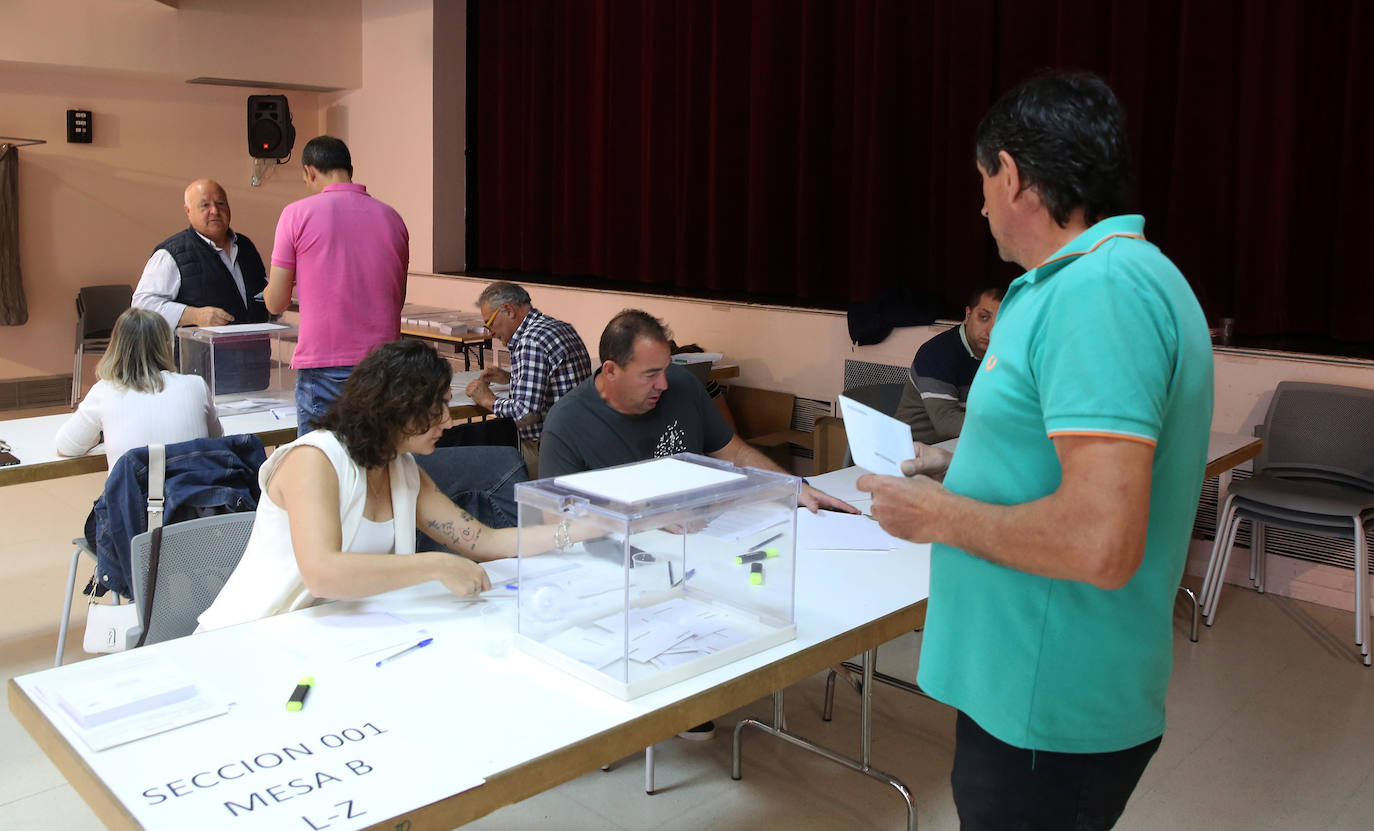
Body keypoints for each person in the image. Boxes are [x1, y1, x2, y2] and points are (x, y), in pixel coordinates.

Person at [857, 72, 1213, 830]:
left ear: (1011, 175)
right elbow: (1072, 455)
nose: (979, 204)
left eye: (982, 182)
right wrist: (969, 462)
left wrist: (939, 513)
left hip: (1046, 701)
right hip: (1031, 686)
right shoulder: (1101, 280)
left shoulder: (1099, 293)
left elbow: (1098, 539)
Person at [197, 340, 592, 632]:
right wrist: (436, 564)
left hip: (330, 634)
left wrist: (583, 529)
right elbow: (323, 573)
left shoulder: (403, 471)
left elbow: (485, 543)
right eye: (436, 407)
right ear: (397, 407)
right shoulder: (314, 461)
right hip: (254, 634)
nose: (448, 421)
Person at [263, 135, 409, 436]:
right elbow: (397, 296)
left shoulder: (296, 214)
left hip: (325, 364)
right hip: (384, 362)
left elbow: (275, 302)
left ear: (309, 172)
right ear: (350, 170)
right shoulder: (393, 218)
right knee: (377, 464)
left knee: (323, 466)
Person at [56, 307, 222, 464]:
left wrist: (95, 435)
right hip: (193, 492)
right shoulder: (196, 385)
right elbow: (217, 439)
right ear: (167, 345)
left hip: (134, 493)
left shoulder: (104, 391)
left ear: (115, 346)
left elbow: (67, 447)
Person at [465, 281, 593, 477]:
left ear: (508, 310)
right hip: (578, 441)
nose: (490, 332)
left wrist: (488, 400)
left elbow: (526, 414)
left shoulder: (530, 341)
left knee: (471, 457)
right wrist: (510, 377)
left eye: (489, 323)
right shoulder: (558, 327)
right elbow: (556, 380)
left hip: (547, 448)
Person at [133, 179, 269, 330]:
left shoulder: (245, 246)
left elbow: (259, 291)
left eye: (221, 203)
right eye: (205, 205)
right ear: (188, 211)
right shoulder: (172, 253)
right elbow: (142, 306)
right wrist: (194, 315)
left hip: (254, 348)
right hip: (198, 351)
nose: (215, 211)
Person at [891, 285, 1002, 443]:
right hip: (915, 452)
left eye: (1001, 322)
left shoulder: (1003, 352)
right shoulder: (936, 353)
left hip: (965, 446)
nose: (991, 330)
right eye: (984, 318)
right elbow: (947, 425)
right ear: (968, 314)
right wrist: (1007, 427)